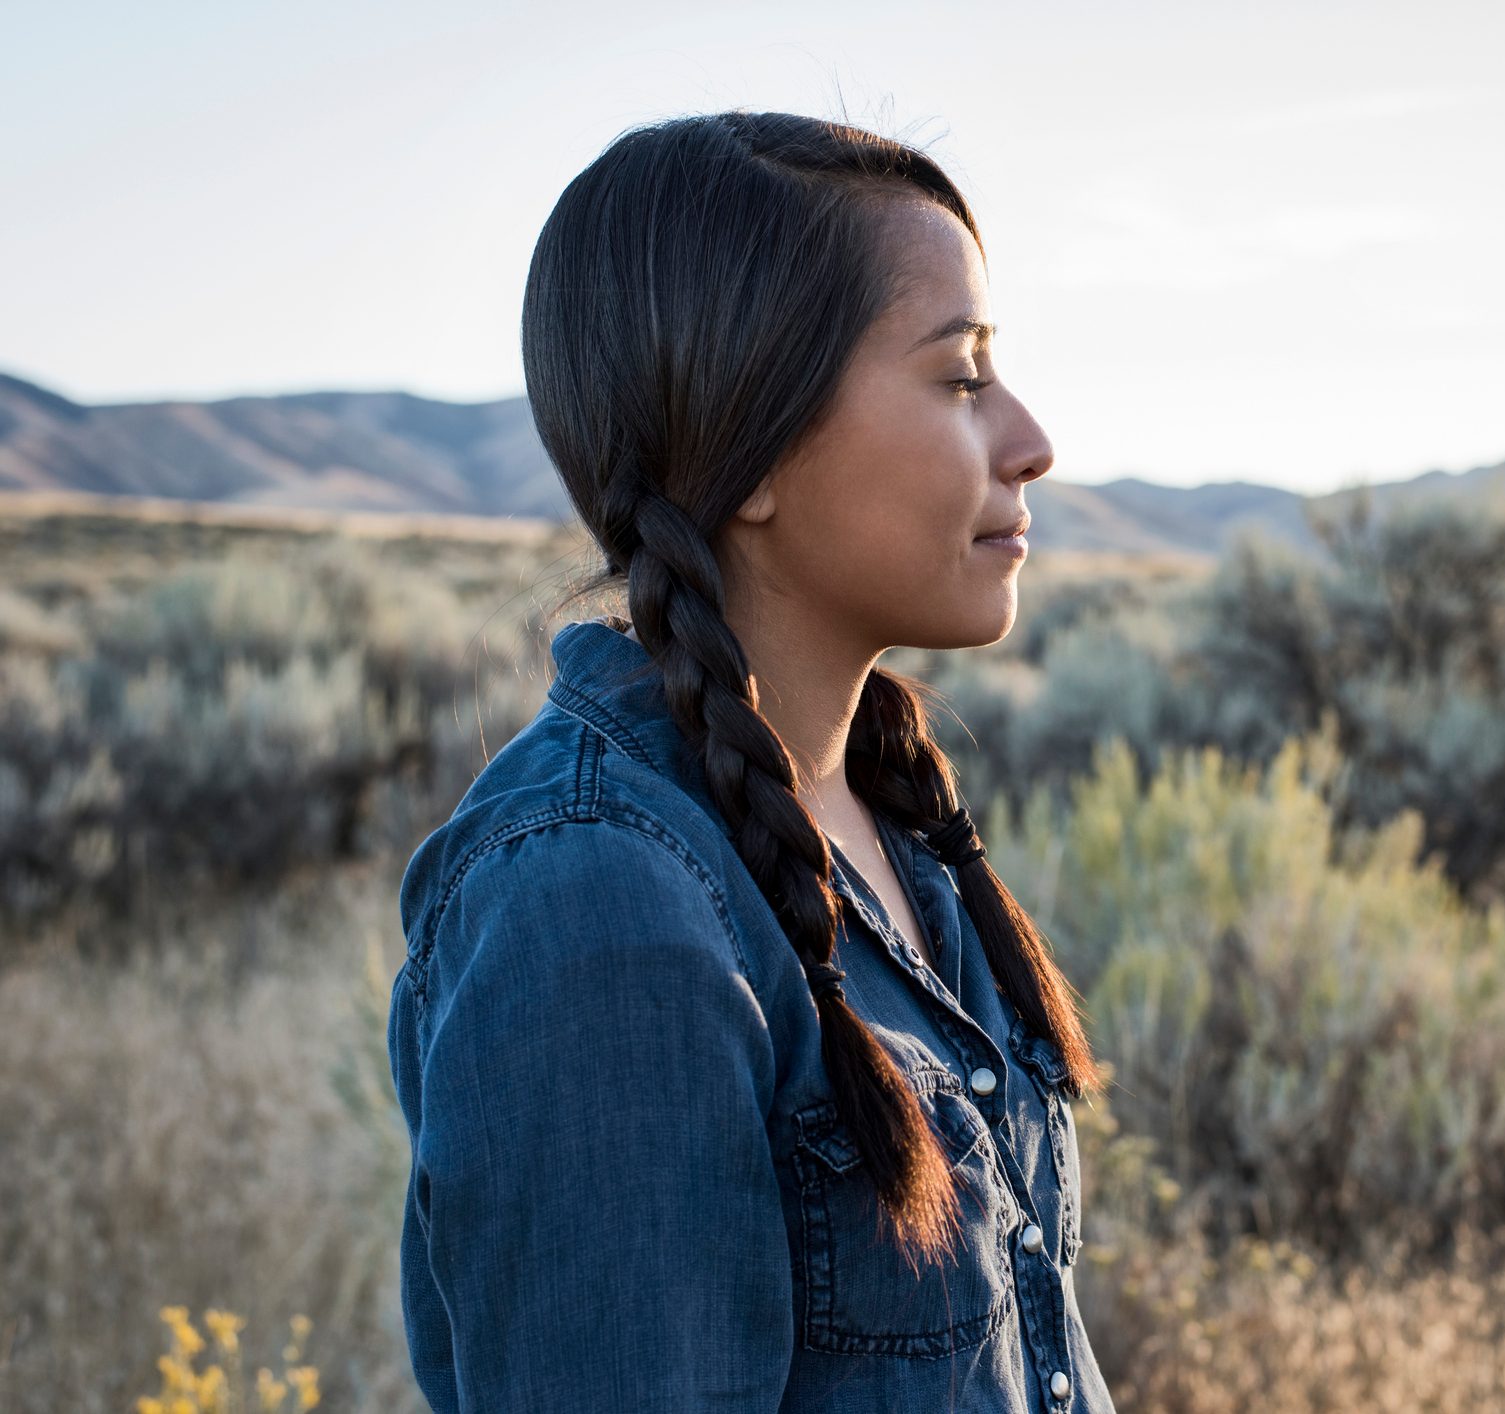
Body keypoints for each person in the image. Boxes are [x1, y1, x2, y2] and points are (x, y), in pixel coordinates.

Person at [386, 108, 1113, 1411]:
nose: (1030, 440)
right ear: (758, 445)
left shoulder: (888, 822)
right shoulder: (596, 901)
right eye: (960, 377)